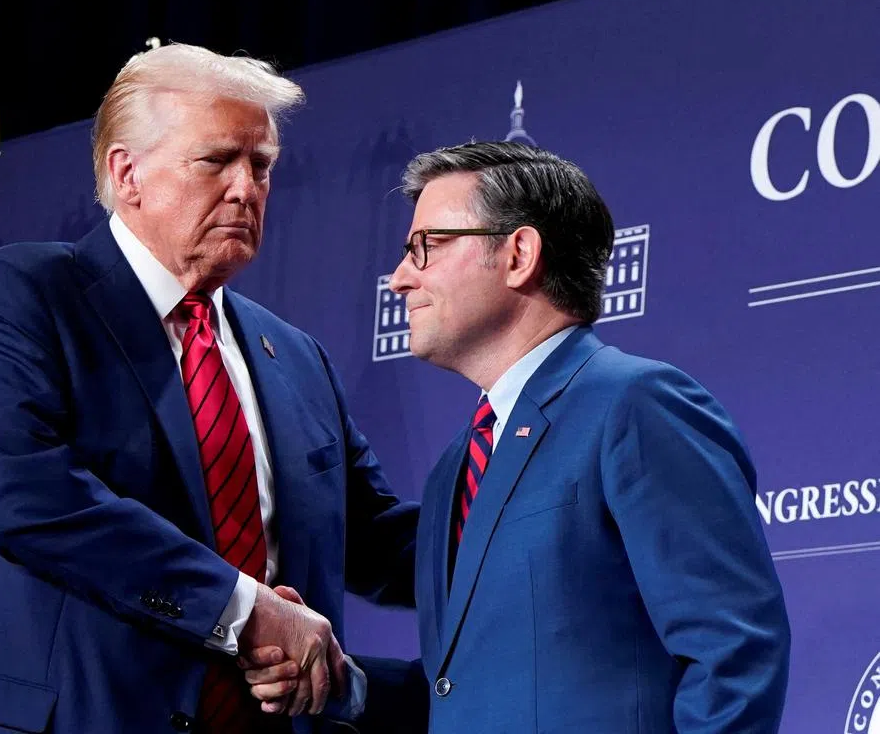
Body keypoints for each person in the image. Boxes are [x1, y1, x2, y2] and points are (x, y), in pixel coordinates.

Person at [0, 42, 418, 734]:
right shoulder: (21, 296)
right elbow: (22, 494)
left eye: (262, 166)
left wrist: (530, 521)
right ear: (127, 174)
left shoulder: (296, 357)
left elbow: (372, 541)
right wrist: (243, 611)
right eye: (217, 160)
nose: (247, 188)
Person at [246, 141, 791, 733]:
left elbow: (734, 654)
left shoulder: (636, 406)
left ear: (519, 254)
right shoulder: (460, 462)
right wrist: (342, 683)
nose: (400, 279)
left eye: (425, 247)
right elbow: (460, 694)